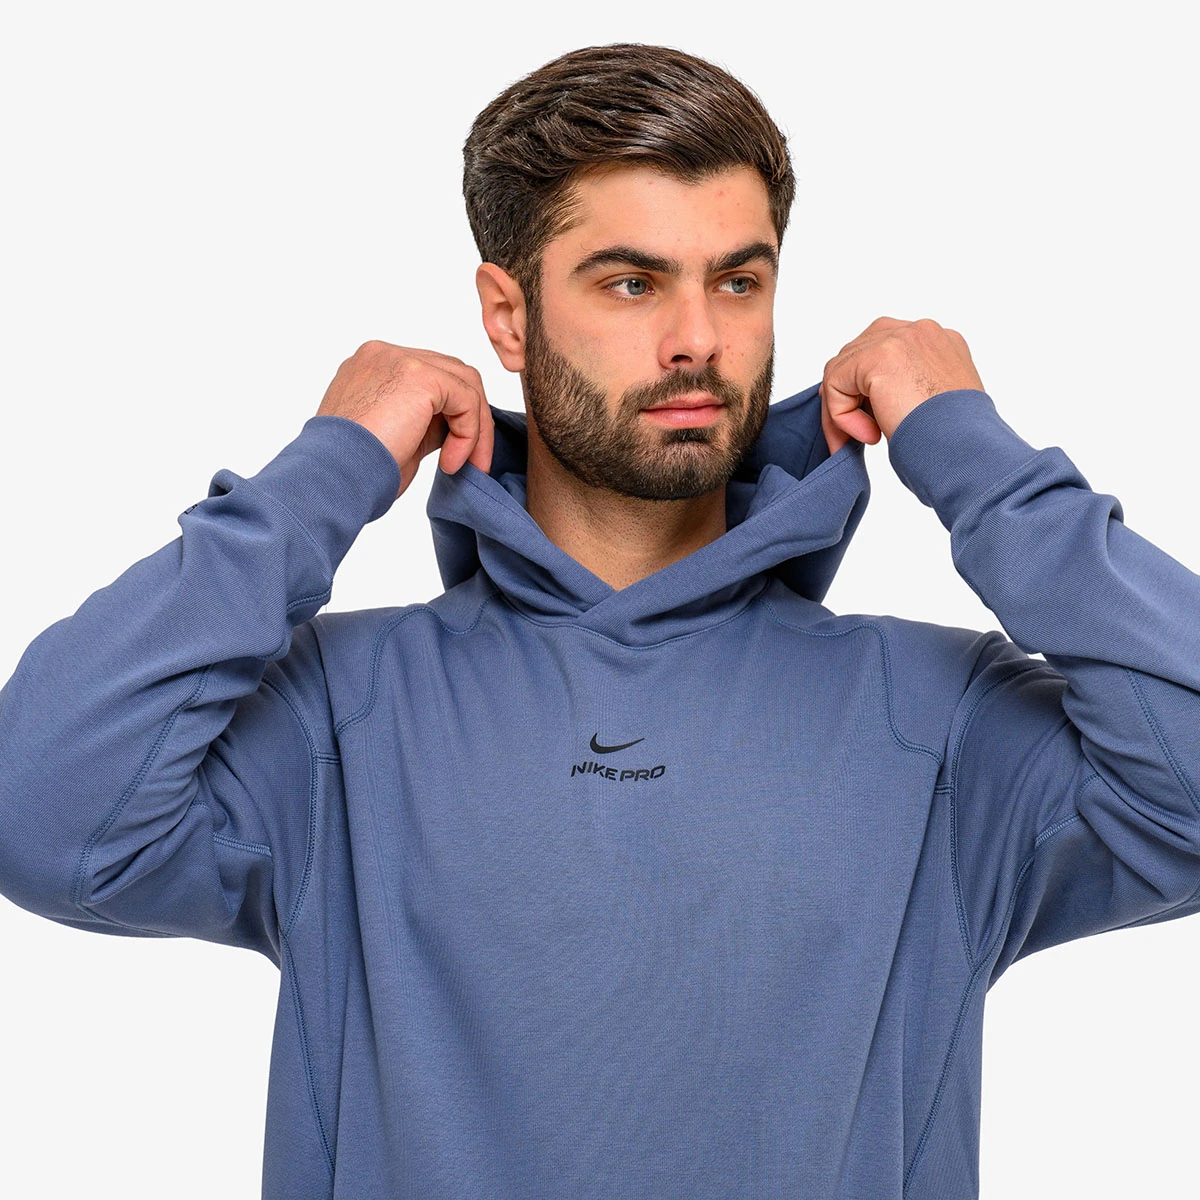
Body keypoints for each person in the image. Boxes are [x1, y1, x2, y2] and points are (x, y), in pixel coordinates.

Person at [1, 40, 1197, 1200]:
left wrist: (977, 457)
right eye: (632, 282)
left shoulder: (935, 722)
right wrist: (328, 469)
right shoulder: (343, 715)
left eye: (739, 281)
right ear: (508, 317)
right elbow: (41, 811)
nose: (699, 339)